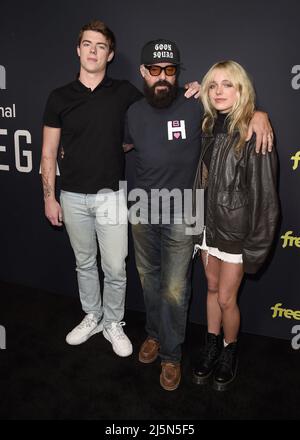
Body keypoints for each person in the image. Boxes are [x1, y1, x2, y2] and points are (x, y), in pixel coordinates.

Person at [125, 40, 274, 391]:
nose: (163, 77)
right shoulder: (134, 112)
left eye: (171, 70)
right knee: (150, 281)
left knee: (176, 290)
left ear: (179, 73)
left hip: (186, 215)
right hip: (144, 212)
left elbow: (233, 108)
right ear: (143, 72)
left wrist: (258, 113)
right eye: (156, 70)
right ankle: (154, 335)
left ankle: (172, 356)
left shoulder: (195, 107)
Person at [41, 20, 143, 357]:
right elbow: (47, 152)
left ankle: (113, 322)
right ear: (78, 49)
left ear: (110, 54)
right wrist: (49, 197)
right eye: (87, 44)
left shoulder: (125, 92)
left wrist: (192, 91)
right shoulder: (59, 97)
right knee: (84, 263)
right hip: (70, 196)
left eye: (100, 46)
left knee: (115, 266)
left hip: (111, 196)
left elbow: (157, 114)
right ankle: (93, 315)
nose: (93, 51)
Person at [192, 60, 279, 391]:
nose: (218, 91)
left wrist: (255, 248)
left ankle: (230, 351)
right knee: (212, 291)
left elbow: (267, 199)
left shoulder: (254, 131)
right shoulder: (208, 126)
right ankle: (211, 344)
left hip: (235, 235)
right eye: (213, 85)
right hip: (207, 230)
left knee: (228, 298)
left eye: (227, 84)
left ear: (242, 90)